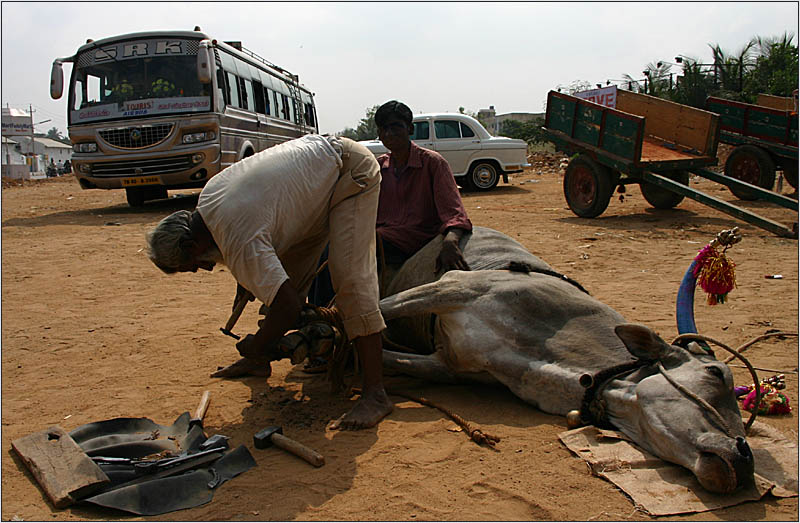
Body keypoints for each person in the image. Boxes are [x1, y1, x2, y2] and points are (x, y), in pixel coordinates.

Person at [145, 135, 393, 430]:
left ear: (190, 246)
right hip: (316, 184)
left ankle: (375, 394)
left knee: (350, 280)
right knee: (280, 277)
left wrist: (260, 342)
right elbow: (262, 262)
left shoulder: (237, 236)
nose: (204, 269)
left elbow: (287, 305)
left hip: (349, 172)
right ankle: (258, 362)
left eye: (192, 267)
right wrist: (252, 279)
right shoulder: (209, 200)